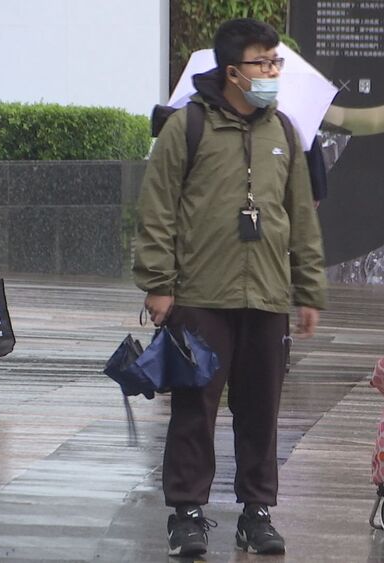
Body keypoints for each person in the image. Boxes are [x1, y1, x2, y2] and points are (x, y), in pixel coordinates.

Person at [133, 18, 326, 557]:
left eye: (276, 62)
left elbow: (301, 220)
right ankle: (187, 514)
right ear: (232, 72)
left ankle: (256, 512)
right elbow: (157, 210)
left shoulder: (284, 132)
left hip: (266, 295)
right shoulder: (187, 127)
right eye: (262, 63)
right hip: (199, 295)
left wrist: (308, 289)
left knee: (261, 409)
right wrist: (158, 284)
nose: (272, 72)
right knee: (195, 407)